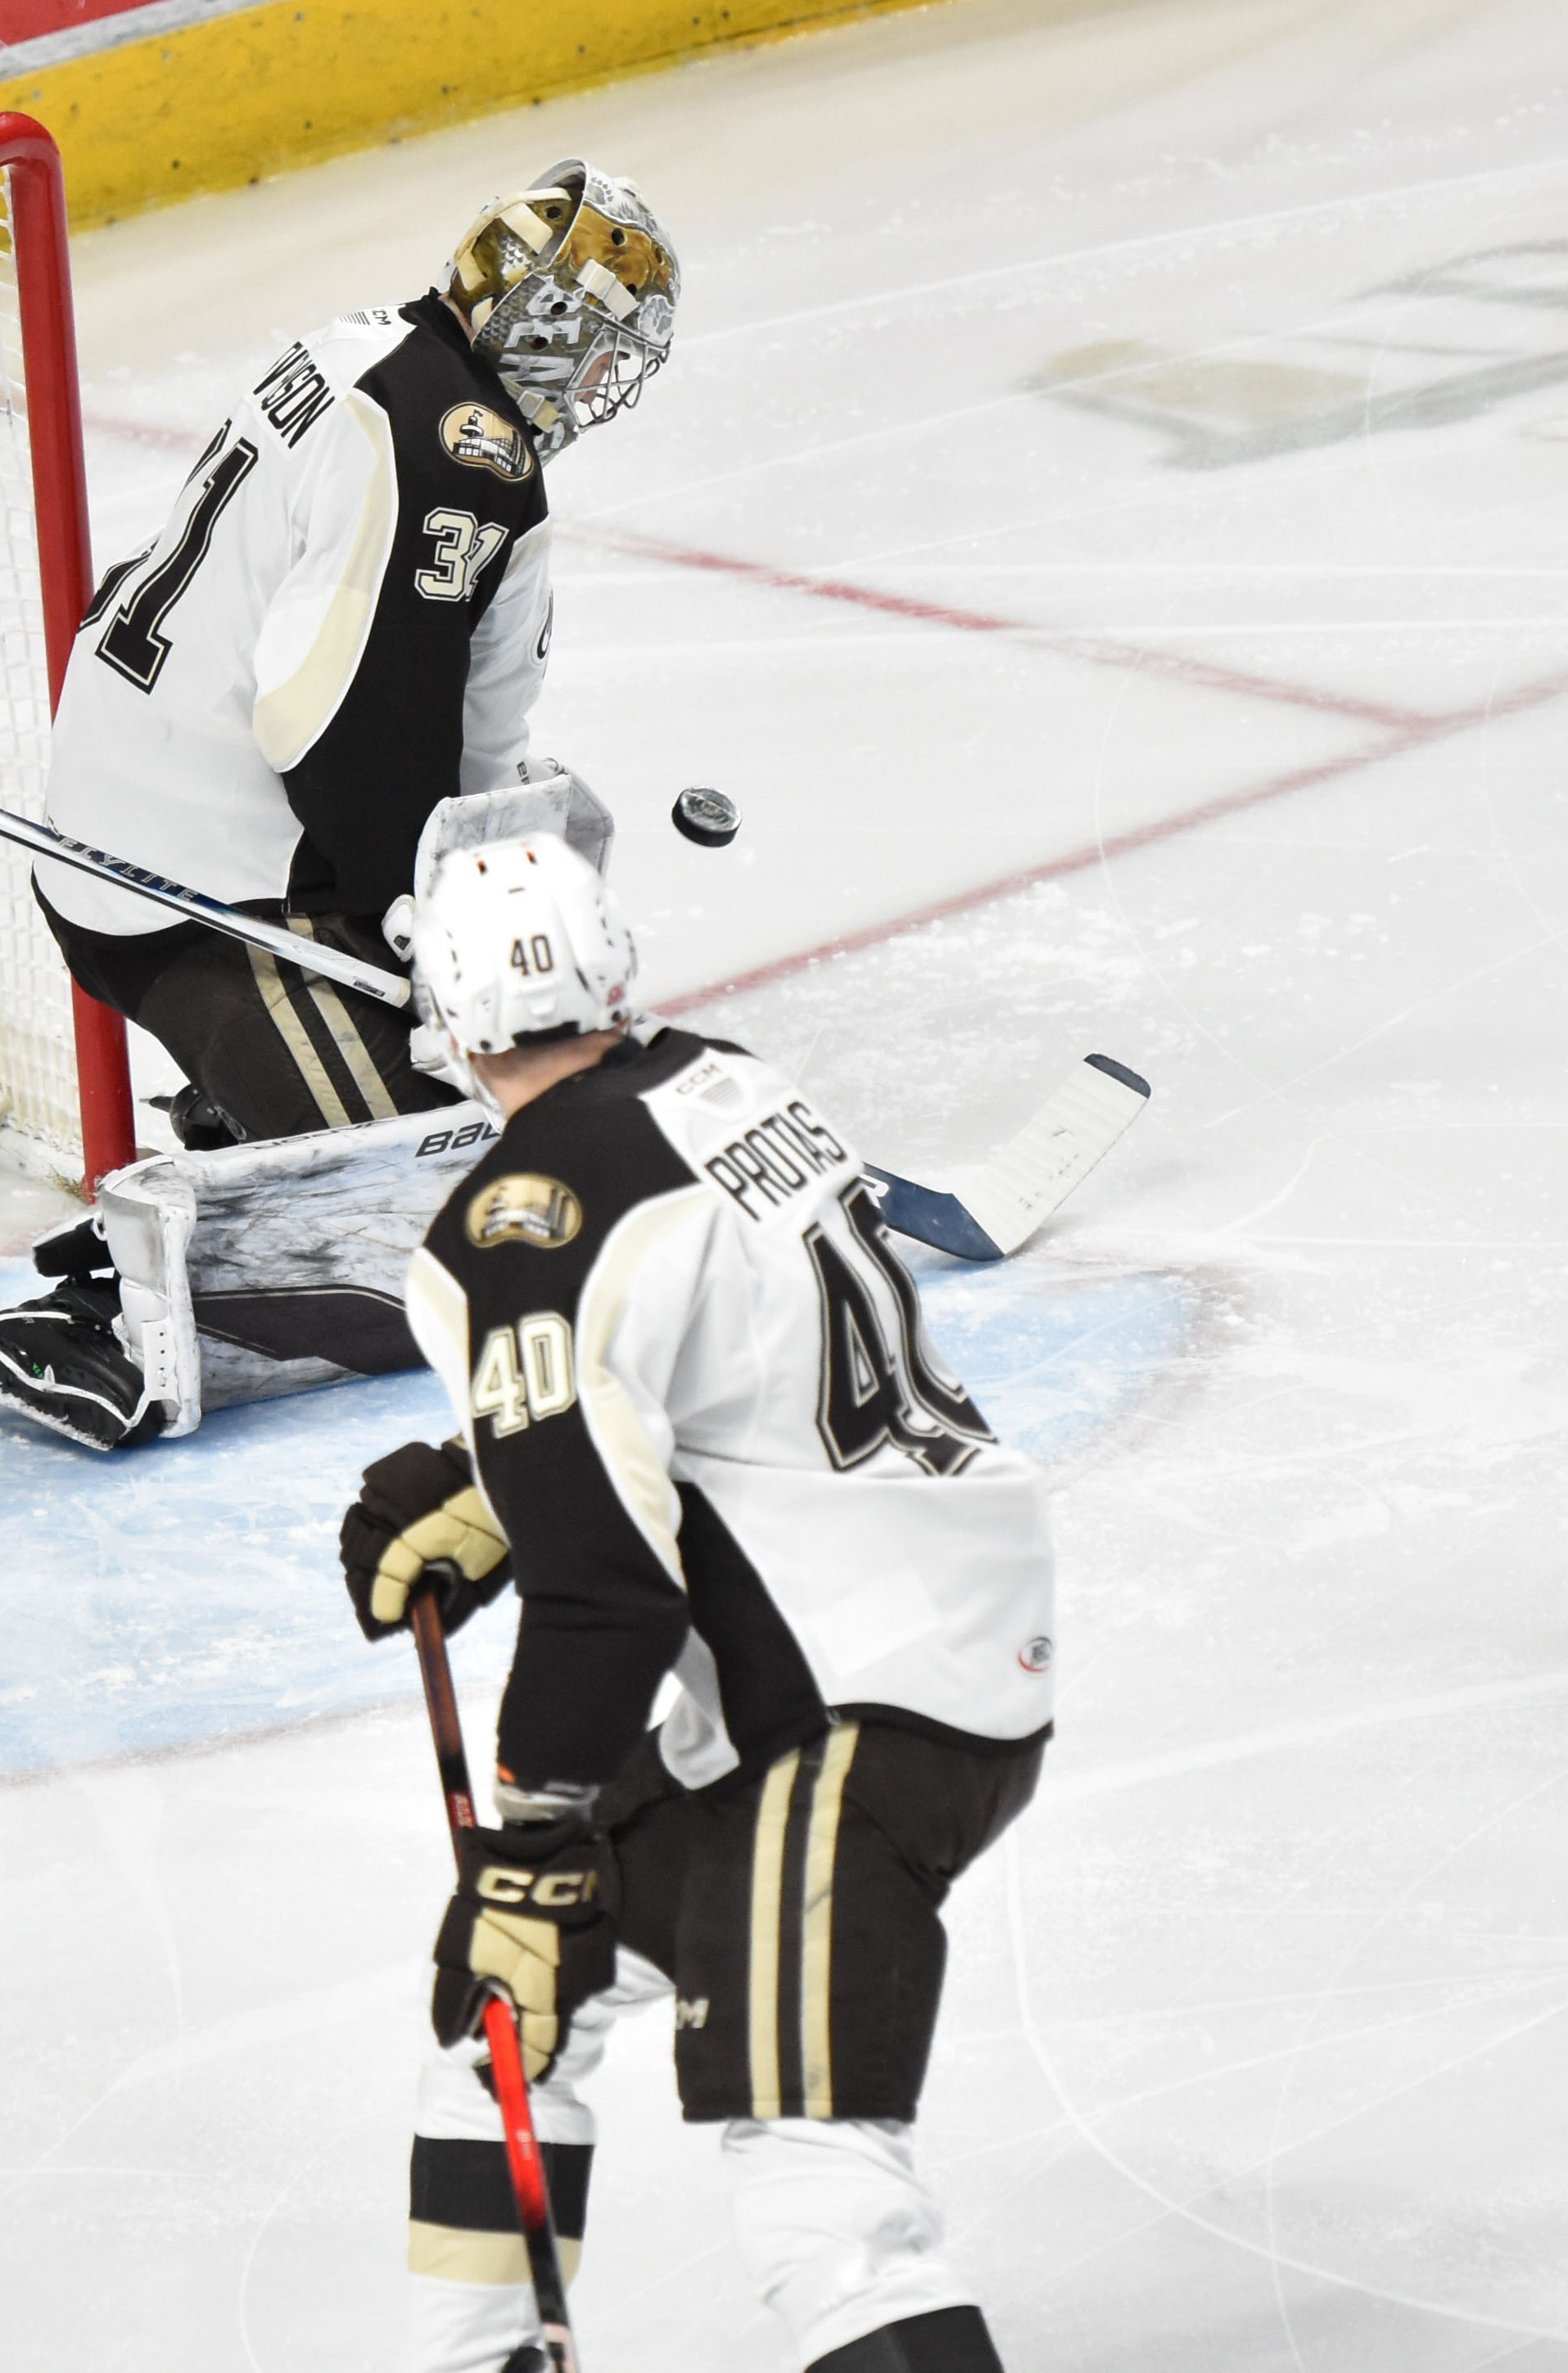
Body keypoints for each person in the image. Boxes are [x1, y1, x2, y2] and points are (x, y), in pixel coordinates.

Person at [339, 803, 1054, 2371]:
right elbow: (713, 1373)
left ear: (443, 1016)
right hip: (929, 1638)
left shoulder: (510, 1232)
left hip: (849, 1711)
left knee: (820, 2184)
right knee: (504, 2011)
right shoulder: (731, 1082)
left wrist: (534, 1827)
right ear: (612, 967)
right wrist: (492, 1480)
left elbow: (611, 1589)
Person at [0, 160, 682, 1449]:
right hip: (202, 889)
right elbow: (326, 725)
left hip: (146, 825)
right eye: (601, 347)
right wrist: (417, 926)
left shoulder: (370, 353)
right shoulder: (457, 451)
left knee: (509, 1126)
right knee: (477, 1235)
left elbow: (444, 726)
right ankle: (124, 1306)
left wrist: (479, 925)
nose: (605, 383)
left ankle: (250, 1120)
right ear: (545, 327)